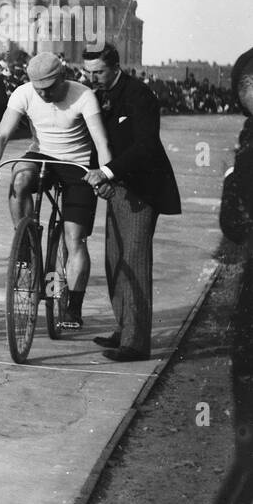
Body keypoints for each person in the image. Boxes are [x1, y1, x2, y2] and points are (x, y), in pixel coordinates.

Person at [0, 51, 114, 332]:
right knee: (18, 179)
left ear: (63, 78)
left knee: (74, 238)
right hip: (42, 156)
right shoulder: (23, 94)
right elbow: (1, 135)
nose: (44, 95)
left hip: (77, 163)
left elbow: (101, 142)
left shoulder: (83, 95)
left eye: (50, 89)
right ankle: (27, 240)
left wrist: (105, 175)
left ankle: (73, 307)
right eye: (39, 90)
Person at [82, 44, 181, 361]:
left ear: (114, 66)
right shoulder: (98, 96)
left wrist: (107, 172)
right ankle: (124, 328)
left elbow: (146, 146)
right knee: (115, 260)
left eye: (98, 72)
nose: (93, 78)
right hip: (115, 187)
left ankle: (136, 343)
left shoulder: (139, 95)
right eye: (89, 73)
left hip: (142, 189)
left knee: (134, 261)